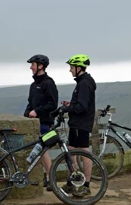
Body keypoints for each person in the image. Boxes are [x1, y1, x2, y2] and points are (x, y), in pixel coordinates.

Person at [59, 54, 96, 196]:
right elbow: (80, 104)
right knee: (70, 152)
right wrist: (71, 104)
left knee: (84, 153)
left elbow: (82, 107)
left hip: (81, 124)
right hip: (77, 123)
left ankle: (86, 184)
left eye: (71, 67)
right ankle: (72, 182)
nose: (70, 70)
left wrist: (67, 109)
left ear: (78, 67)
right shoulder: (82, 82)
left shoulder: (84, 84)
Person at [23, 54, 59, 190]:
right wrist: (26, 114)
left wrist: (37, 111)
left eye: (32, 64)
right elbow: (30, 103)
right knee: (40, 151)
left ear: (40, 66)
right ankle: (49, 178)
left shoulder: (49, 83)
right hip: (34, 122)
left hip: (44, 122)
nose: (30, 67)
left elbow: (53, 104)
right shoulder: (34, 85)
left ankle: (51, 179)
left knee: (43, 151)